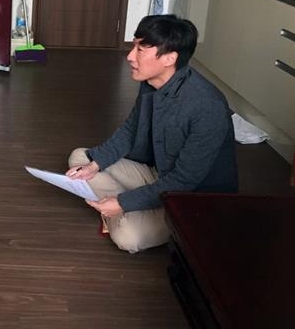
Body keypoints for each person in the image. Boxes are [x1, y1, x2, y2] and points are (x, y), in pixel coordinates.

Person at [66, 15, 237, 253]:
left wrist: (123, 202)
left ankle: (123, 208)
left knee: (128, 237)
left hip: (189, 198)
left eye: (140, 49)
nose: (130, 56)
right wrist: (94, 166)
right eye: (134, 46)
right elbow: (130, 129)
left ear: (169, 58)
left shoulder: (207, 106)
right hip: (159, 174)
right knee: (80, 159)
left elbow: (184, 181)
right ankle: (127, 206)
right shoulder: (151, 82)